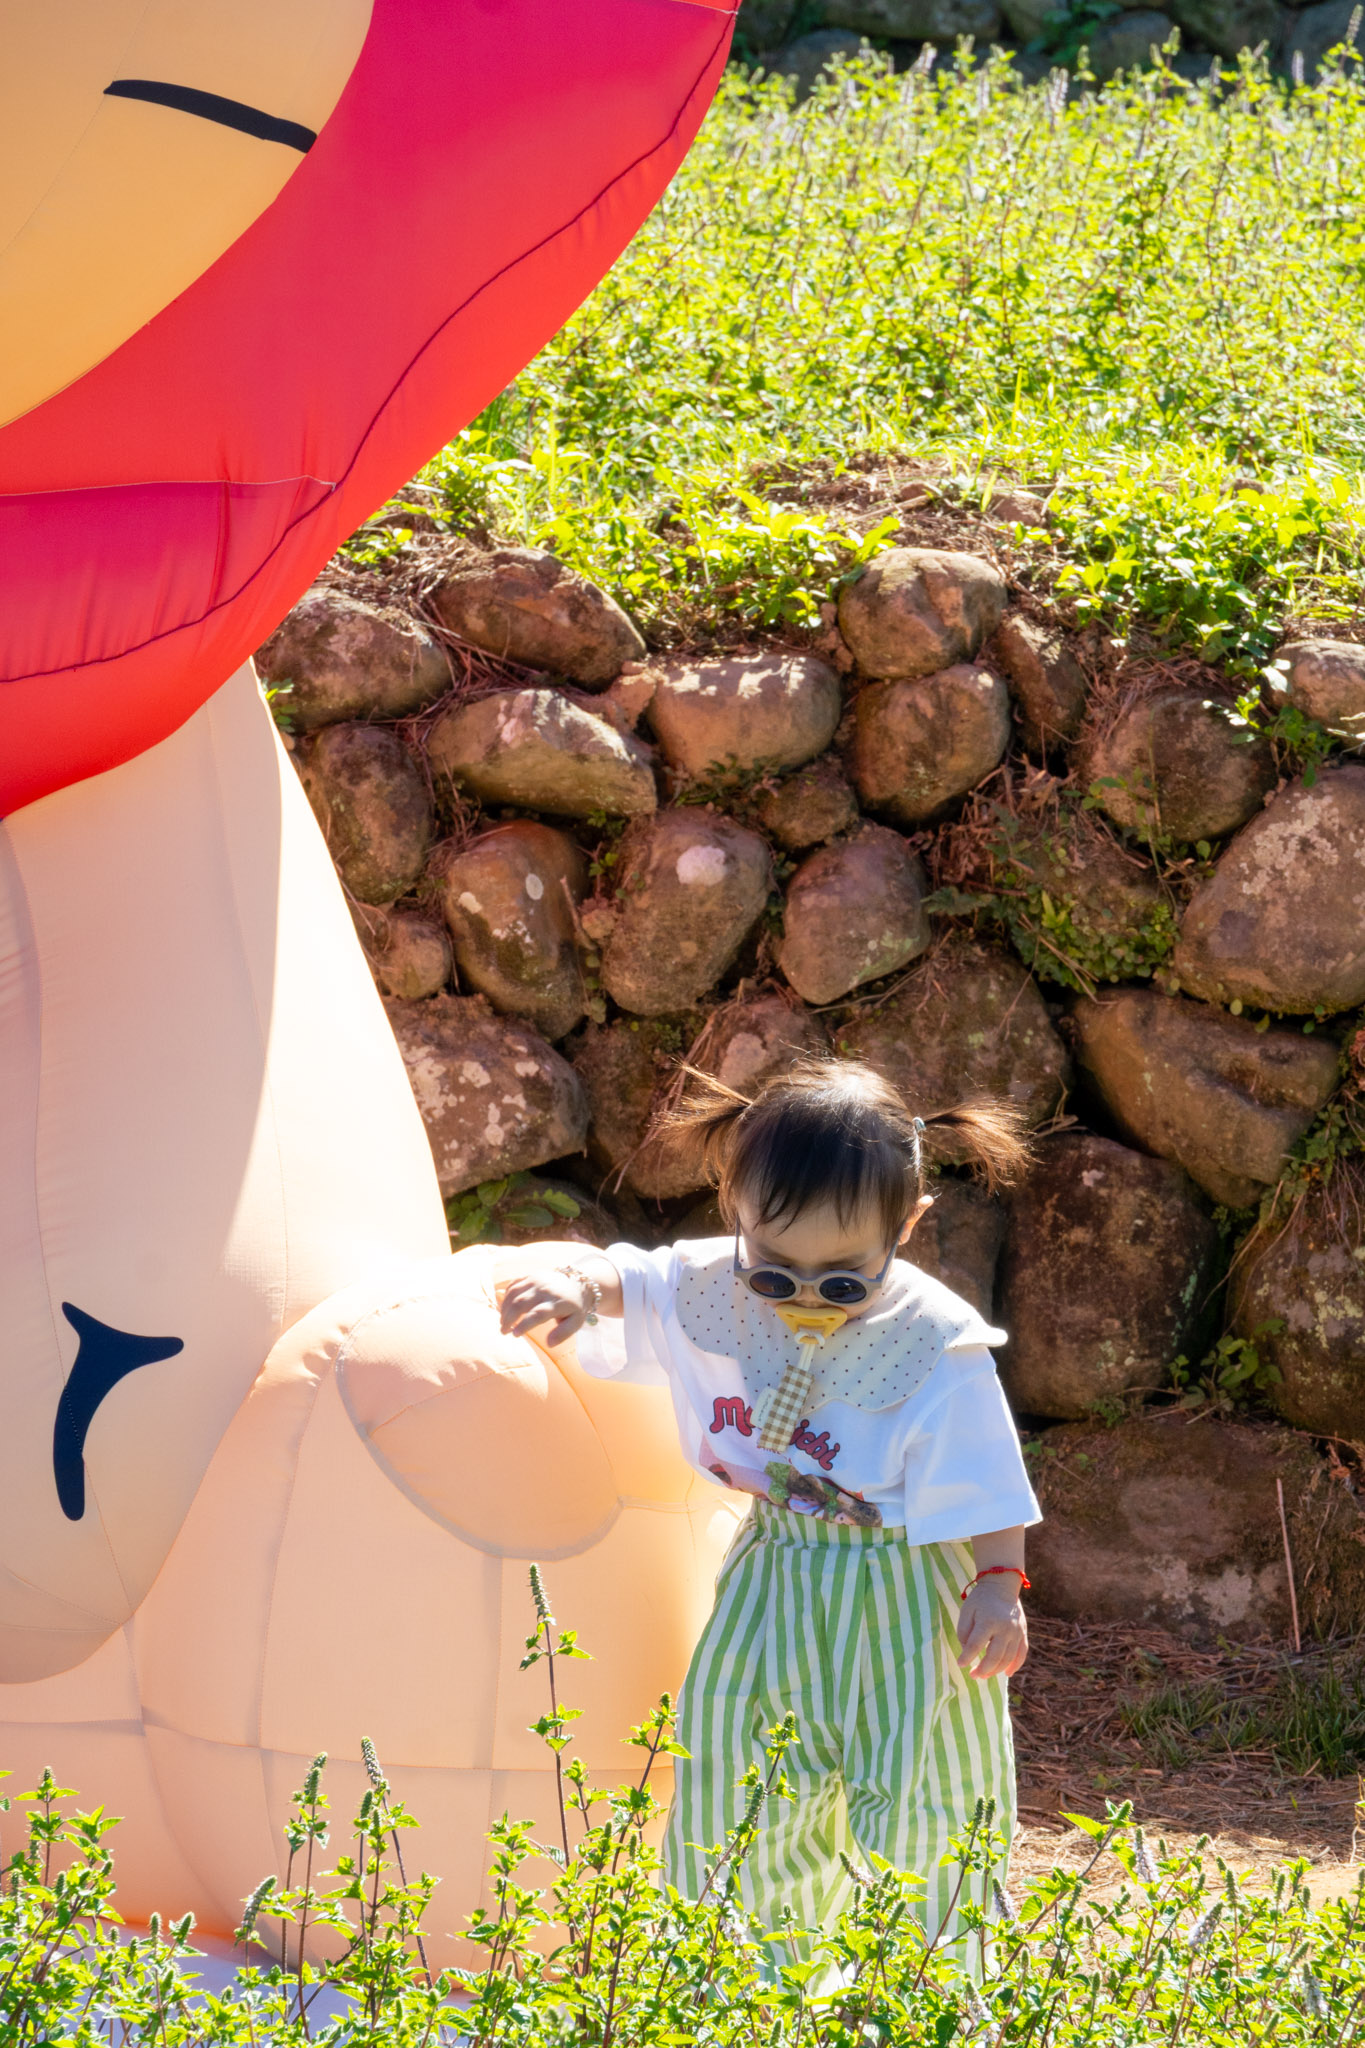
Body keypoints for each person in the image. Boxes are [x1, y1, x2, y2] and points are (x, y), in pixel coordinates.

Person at [499, 1057, 1041, 1957]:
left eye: (841, 1279)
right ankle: (750, 1977)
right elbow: (636, 1283)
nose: (801, 1299)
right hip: (774, 1573)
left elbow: (984, 1471)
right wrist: (576, 1289)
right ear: (736, 1215)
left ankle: (930, 1984)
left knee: (918, 1794)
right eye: (774, 1270)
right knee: (742, 1768)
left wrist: (996, 1581)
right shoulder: (715, 1282)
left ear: (905, 1226)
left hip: (904, 1587)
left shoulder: (932, 1340)